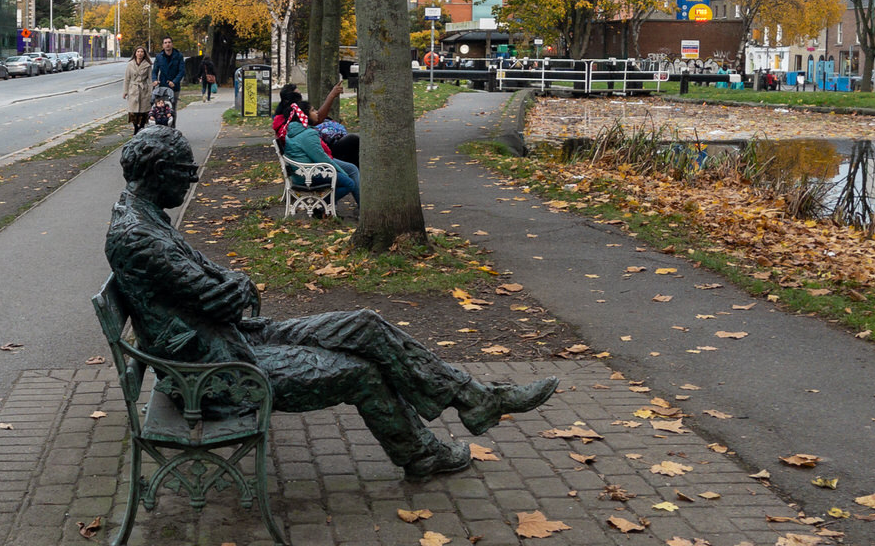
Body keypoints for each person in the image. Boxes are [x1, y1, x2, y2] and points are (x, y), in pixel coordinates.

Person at [104, 127, 559, 480]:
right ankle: (422, 454)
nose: (192, 179)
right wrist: (236, 286)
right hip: (217, 375)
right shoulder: (139, 237)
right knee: (362, 373)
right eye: (186, 173)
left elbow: (219, 283)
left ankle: (475, 399)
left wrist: (233, 285)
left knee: (363, 325)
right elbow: (224, 297)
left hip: (233, 341)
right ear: (159, 172)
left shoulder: (144, 218)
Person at [282, 108, 359, 208]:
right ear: (306, 116)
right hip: (309, 174)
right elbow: (321, 158)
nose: (317, 112)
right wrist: (342, 172)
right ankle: (320, 206)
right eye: (313, 110)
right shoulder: (307, 134)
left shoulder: (294, 130)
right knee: (349, 183)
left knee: (351, 168)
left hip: (302, 171)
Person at [152, 36, 185, 125]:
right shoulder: (159, 57)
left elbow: (181, 71)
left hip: (175, 87)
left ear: (172, 44)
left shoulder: (178, 56)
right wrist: (154, 80)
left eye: (169, 42)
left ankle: (172, 128)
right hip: (162, 87)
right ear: (163, 45)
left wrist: (175, 82)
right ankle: (162, 126)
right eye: (165, 43)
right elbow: (154, 71)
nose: (167, 44)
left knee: (172, 108)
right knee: (161, 108)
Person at [123, 45, 153, 133]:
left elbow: (150, 79)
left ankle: (142, 126)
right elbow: (127, 78)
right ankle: (136, 128)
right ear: (135, 53)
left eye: (142, 52)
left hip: (144, 89)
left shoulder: (147, 65)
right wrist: (125, 91)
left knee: (144, 110)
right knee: (133, 110)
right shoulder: (130, 64)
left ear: (144, 54)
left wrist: (151, 91)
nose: (140, 54)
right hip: (133, 89)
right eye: (138, 52)